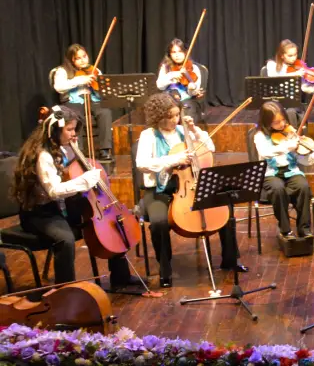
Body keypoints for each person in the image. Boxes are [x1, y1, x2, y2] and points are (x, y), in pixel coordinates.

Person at [12, 106, 137, 288]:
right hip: (41, 212)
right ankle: (66, 290)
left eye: (74, 129)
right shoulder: (43, 155)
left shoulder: (66, 148)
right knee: (66, 239)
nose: (73, 134)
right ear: (55, 130)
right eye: (69, 129)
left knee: (112, 221)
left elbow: (72, 173)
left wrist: (76, 152)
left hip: (64, 206)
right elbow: (54, 191)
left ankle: (121, 277)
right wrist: (85, 181)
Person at [134, 93, 243, 288]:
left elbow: (209, 148)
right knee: (159, 223)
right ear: (158, 116)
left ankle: (230, 259)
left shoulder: (183, 131)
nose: (175, 120)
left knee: (224, 207)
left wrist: (194, 129)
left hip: (189, 184)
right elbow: (142, 164)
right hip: (160, 190)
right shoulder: (148, 135)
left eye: (177, 115)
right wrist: (173, 160)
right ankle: (165, 269)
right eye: (170, 116)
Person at [253, 101, 314, 239]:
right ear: (267, 122)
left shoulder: (289, 133)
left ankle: (304, 228)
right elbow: (265, 153)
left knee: (303, 186)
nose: (282, 124)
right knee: (277, 188)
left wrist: (310, 157)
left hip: (291, 170)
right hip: (270, 174)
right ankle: (285, 230)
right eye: (276, 122)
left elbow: (299, 158)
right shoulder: (260, 136)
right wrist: (287, 146)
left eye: (283, 120)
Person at [50, 44, 114, 161]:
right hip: (73, 101)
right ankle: (78, 152)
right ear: (71, 60)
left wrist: (99, 86)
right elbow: (59, 87)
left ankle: (105, 150)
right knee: (76, 116)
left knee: (105, 112)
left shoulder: (94, 70)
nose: (83, 60)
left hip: (93, 99)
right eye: (78, 58)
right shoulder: (62, 71)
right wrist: (80, 80)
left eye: (84, 56)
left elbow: (103, 89)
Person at [155, 39, 206, 123]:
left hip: (187, 101)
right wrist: (171, 75)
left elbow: (193, 93)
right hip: (168, 100)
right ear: (170, 54)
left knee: (188, 111)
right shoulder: (166, 67)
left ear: (185, 52)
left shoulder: (194, 68)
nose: (177, 55)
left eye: (180, 51)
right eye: (174, 52)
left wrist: (191, 89)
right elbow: (160, 86)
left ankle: (187, 130)